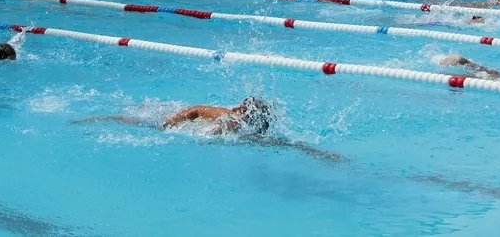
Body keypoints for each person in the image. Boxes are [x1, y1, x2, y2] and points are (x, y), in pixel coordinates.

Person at [72, 97, 342, 162]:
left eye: (241, 107)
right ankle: (104, 116)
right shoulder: (226, 116)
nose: (235, 108)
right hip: (176, 122)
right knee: (144, 124)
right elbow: (196, 110)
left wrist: (322, 153)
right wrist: (167, 126)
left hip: (196, 129)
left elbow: (289, 144)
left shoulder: (255, 135)